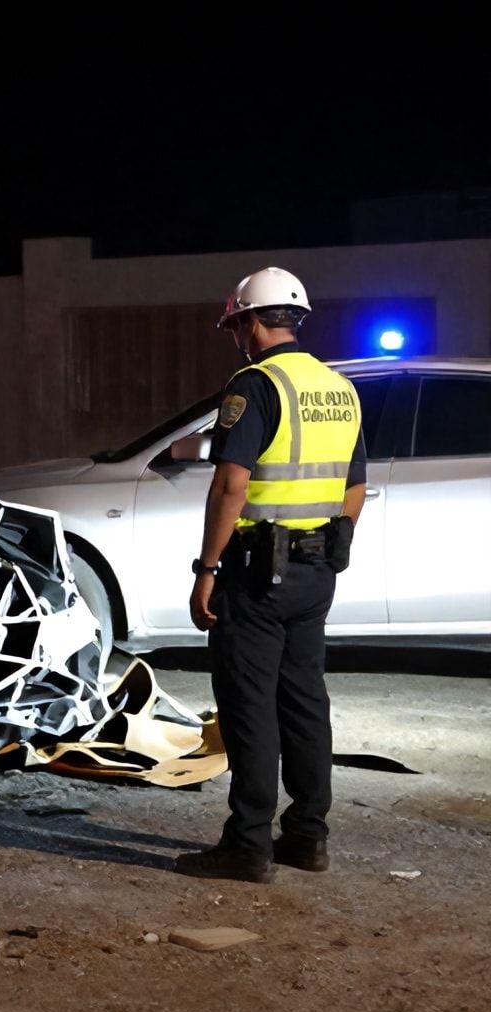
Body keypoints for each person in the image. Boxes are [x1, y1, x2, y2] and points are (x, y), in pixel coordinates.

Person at [176, 267, 367, 884]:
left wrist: (207, 569)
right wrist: (332, 542)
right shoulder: (339, 387)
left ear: (251, 322)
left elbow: (230, 485)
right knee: (305, 700)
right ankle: (308, 837)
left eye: (236, 325)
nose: (237, 336)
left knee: (250, 705)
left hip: (258, 573)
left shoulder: (255, 385)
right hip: (316, 571)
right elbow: (355, 488)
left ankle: (248, 845)